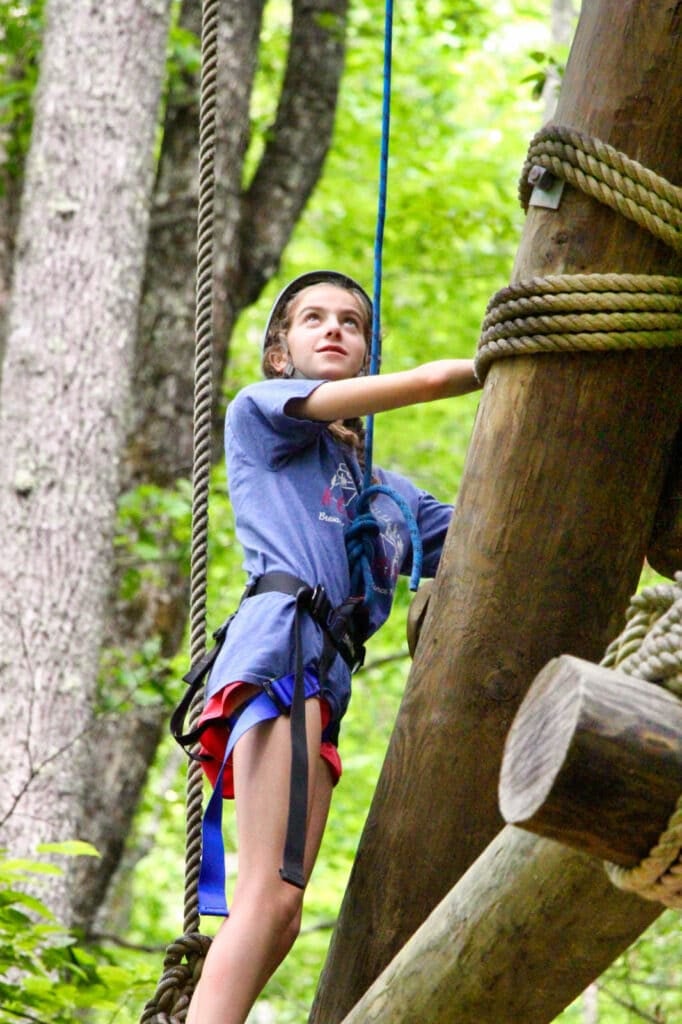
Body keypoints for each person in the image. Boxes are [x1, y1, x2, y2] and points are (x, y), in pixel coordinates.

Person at [185, 270, 480, 1024]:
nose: (334, 329)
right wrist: (501, 364)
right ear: (280, 352)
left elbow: (493, 533)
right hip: (281, 652)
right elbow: (421, 383)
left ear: (365, 347)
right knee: (266, 893)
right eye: (312, 318)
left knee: (284, 909)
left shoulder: (390, 498)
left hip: (322, 678)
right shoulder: (264, 417)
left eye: (351, 321)